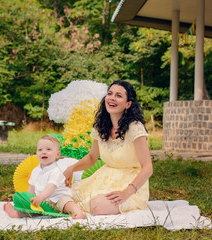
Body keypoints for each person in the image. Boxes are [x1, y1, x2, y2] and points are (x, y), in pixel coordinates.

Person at [64, 80, 153, 215]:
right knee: (65, 193)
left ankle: (78, 209)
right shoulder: (101, 127)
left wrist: (126, 193)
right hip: (104, 177)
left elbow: (148, 168)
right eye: (110, 93)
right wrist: (72, 168)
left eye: (119, 95)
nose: (112, 97)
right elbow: (92, 157)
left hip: (130, 183)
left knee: (97, 207)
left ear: (128, 104)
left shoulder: (135, 128)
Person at [4, 135, 85, 219]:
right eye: (40, 150)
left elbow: (51, 186)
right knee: (32, 209)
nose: (43, 152)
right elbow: (31, 188)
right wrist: (29, 200)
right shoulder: (35, 171)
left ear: (57, 155)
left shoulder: (57, 170)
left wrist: (41, 197)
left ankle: (78, 213)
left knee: (68, 204)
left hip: (58, 199)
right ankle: (17, 213)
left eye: (48, 149)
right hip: (44, 202)